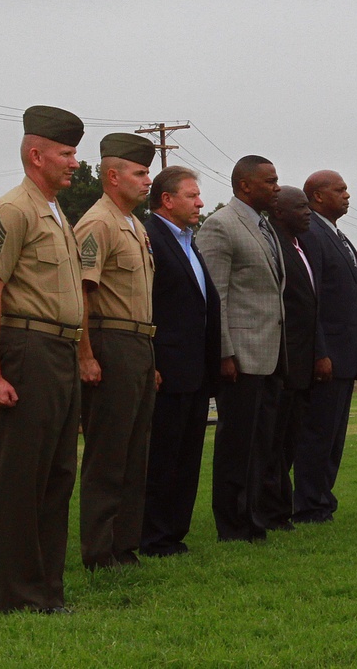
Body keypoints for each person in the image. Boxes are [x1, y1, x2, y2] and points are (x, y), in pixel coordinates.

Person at [0, 105, 85, 614]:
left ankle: (46, 591)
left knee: (58, 475)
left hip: (58, 351)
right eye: (66, 153)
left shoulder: (55, 211)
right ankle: (18, 597)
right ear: (36, 154)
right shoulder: (15, 210)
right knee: (23, 478)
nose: (75, 162)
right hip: (29, 349)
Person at [74, 133, 158, 571]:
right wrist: (86, 355)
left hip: (139, 343)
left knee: (134, 451)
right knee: (108, 452)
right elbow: (82, 296)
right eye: (140, 172)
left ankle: (125, 546)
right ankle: (99, 551)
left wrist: (151, 359)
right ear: (113, 175)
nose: (148, 180)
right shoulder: (98, 223)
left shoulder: (133, 224)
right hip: (110, 340)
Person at [196, 155, 285, 542]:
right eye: (269, 181)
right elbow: (216, 297)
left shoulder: (264, 227)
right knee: (237, 444)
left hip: (269, 352)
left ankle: (255, 516)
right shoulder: (221, 226)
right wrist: (224, 353)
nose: (276, 187)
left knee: (262, 441)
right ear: (245, 185)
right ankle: (232, 524)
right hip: (240, 354)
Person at [141, 166, 220, 557]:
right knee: (163, 456)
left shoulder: (190, 241)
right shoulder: (149, 237)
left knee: (187, 456)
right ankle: (154, 536)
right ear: (167, 200)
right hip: (166, 370)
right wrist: (151, 361)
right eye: (192, 196)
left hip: (195, 370)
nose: (200, 202)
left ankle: (173, 532)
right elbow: (147, 305)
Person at [293, 170, 357, 524]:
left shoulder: (339, 236)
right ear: (317, 196)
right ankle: (309, 504)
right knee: (318, 433)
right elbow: (312, 299)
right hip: (327, 356)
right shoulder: (311, 233)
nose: (347, 195)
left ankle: (322, 499)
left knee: (334, 435)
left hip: (346, 356)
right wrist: (320, 351)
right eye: (340, 190)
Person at [258, 186, 318, 531]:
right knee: (273, 442)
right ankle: (271, 509)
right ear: (280, 212)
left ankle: (280, 506)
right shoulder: (277, 246)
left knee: (288, 440)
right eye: (301, 207)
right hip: (280, 358)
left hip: (301, 361)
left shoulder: (299, 246)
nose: (308, 212)